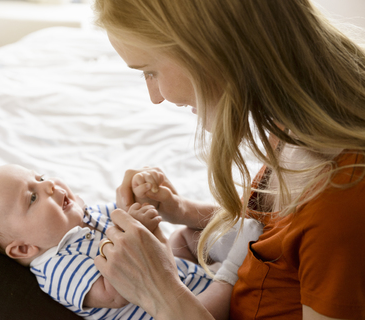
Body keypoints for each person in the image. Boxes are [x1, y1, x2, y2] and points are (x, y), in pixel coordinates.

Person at [92, 0, 365, 319]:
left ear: (211, 50)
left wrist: (161, 293)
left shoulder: (342, 197)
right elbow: (271, 236)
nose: (156, 96)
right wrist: (183, 211)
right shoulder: (294, 124)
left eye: (150, 71)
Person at [0, 163, 262, 320]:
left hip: (176, 276)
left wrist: (143, 203)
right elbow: (113, 293)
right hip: (172, 311)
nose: (49, 185)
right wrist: (138, 230)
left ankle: (228, 244)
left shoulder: (88, 213)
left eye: (40, 177)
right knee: (213, 301)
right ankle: (233, 270)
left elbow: (137, 227)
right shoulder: (56, 267)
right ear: (24, 248)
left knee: (185, 237)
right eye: (33, 197)